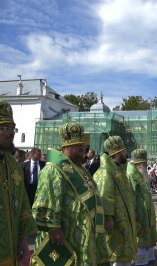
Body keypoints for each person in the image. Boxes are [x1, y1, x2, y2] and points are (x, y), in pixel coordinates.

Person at [31, 121, 107, 265]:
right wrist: (53, 228)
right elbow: (47, 199)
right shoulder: (53, 169)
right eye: (78, 145)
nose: (82, 148)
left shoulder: (80, 168)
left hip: (83, 233)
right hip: (65, 233)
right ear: (66, 146)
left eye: (83, 144)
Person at [0, 100, 37, 265]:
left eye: (12, 128)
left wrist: (23, 238)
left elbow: (22, 204)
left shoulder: (14, 167)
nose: (10, 133)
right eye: (4, 128)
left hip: (11, 247)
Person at [93, 135, 138, 265]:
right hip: (115, 221)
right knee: (116, 254)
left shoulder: (118, 168)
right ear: (117, 153)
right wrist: (108, 217)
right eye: (124, 151)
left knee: (124, 254)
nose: (126, 153)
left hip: (124, 218)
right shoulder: (105, 171)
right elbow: (104, 195)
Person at [127, 149, 157, 265]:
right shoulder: (131, 175)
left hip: (146, 210)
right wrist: (133, 210)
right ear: (138, 164)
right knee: (139, 235)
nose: (146, 165)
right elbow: (131, 194)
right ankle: (140, 260)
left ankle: (148, 257)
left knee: (147, 232)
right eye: (144, 163)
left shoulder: (140, 173)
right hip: (139, 212)